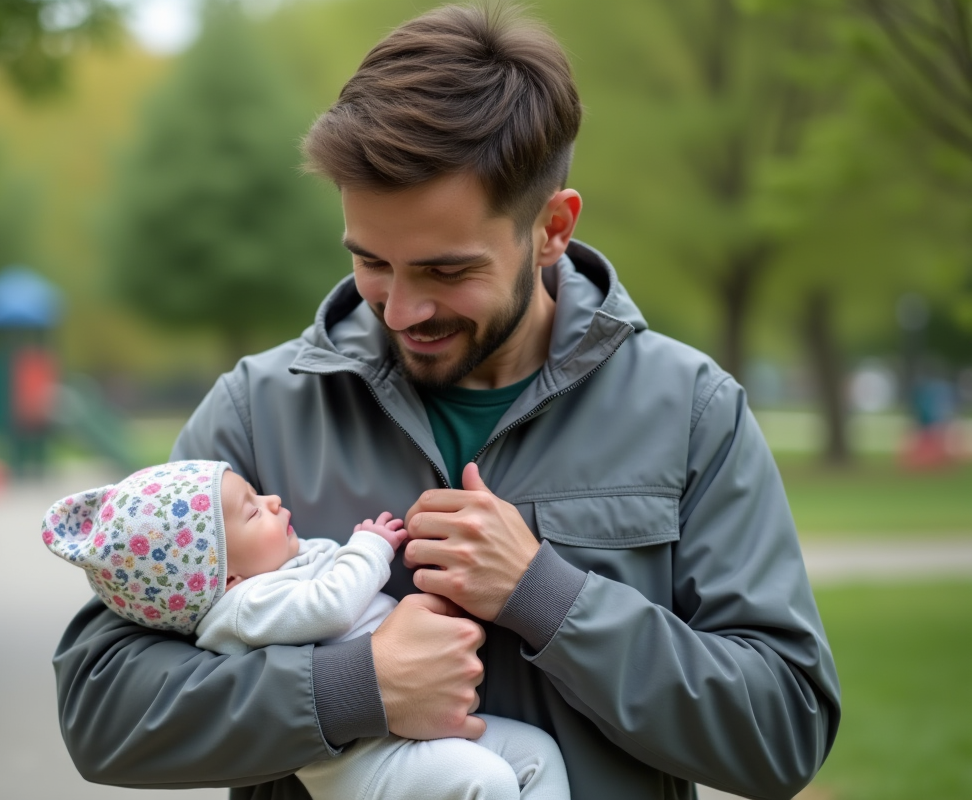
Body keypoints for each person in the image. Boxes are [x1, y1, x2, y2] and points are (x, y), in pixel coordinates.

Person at [53, 5, 841, 798]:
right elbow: (104, 710)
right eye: (371, 262)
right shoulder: (257, 411)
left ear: (552, 230)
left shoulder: (692, 412)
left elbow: (783, 729)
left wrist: (548, 598)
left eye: (445, 271)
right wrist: (352, 689)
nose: (397, 310)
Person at [43, 459, 570, 800]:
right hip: (370, 765)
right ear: (224, 575)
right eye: (252, 511)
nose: (271, 502)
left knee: (536, 756)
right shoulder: (242, 608)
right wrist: (370, 548)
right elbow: (331, 606)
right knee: (488, 782)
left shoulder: (275, 572)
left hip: (408, 742)